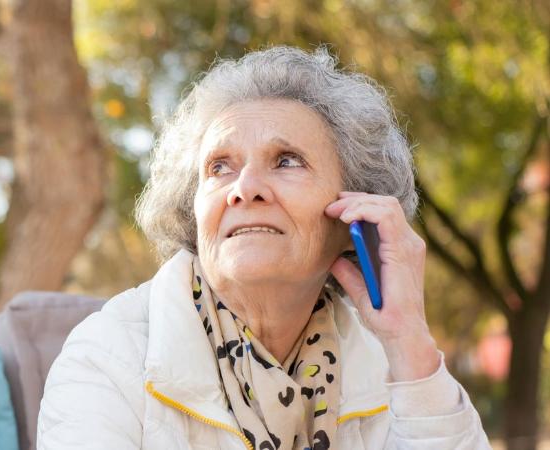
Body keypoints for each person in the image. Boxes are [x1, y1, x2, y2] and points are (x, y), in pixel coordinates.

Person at [37, 45, 492, 449]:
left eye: (286, 161)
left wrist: (408, 338)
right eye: (219, 167)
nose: (244, 188)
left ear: (353, 209)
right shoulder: (107, 357)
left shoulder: (384, 363)